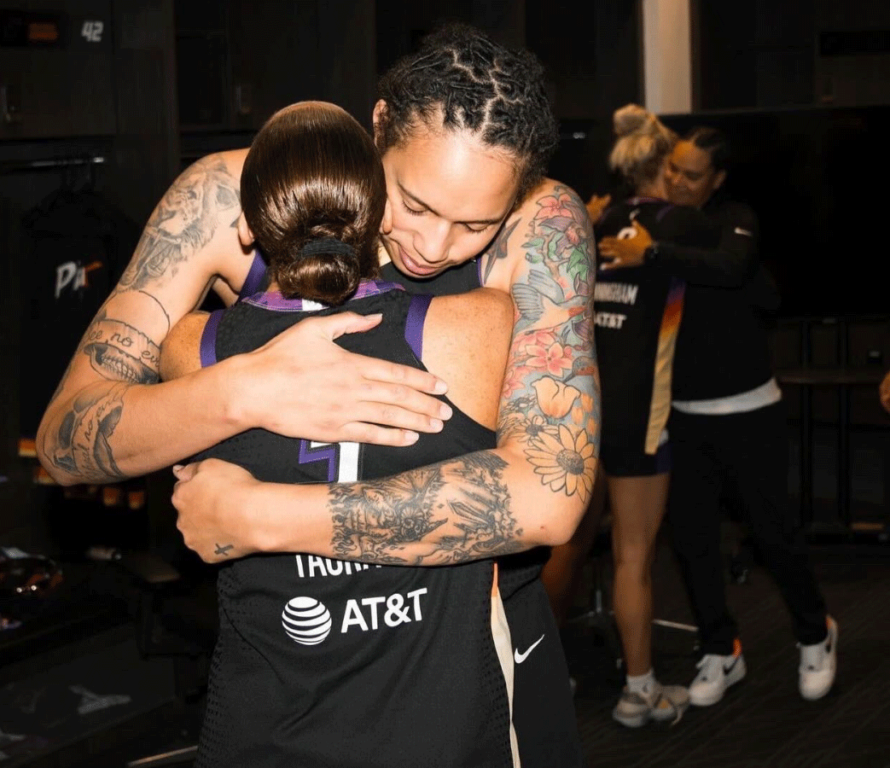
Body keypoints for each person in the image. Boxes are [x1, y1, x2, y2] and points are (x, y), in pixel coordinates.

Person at [37, 24, 595, 768]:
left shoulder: (543, 225)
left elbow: (548, 494)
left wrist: (261, 516)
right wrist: (245, 390)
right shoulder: (227, 199)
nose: (433, 247)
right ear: (377, 130)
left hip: (471, 657)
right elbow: (66, 438)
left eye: (474, 226)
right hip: (286, 665)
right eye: (414, 204)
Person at [168, 99, 524, 766]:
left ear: (247, 226)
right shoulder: (479, 325)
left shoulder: (192, 347)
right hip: (436, 733)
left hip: (269, 733)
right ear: (377, 215)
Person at [589, 125, 837, 706]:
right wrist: (596, 216)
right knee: (694, 542)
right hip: (681, 414)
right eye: (672, 169)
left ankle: (815, 633)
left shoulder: (731, 219)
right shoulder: (658, 221)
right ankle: (720, 650)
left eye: (692, 174)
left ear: (718, 180)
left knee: (774, 536)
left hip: (749, 410)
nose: (677, 180)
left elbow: (731, 268)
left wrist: (647, 252)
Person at [541, 104, 719, 728]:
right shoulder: (684, 223)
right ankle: (639, 691)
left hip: (583, 407)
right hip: (642, 412)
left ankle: (536, 675)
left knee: (567, 542)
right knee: (633, 555)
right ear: (664, 168)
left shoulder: (600, 218)